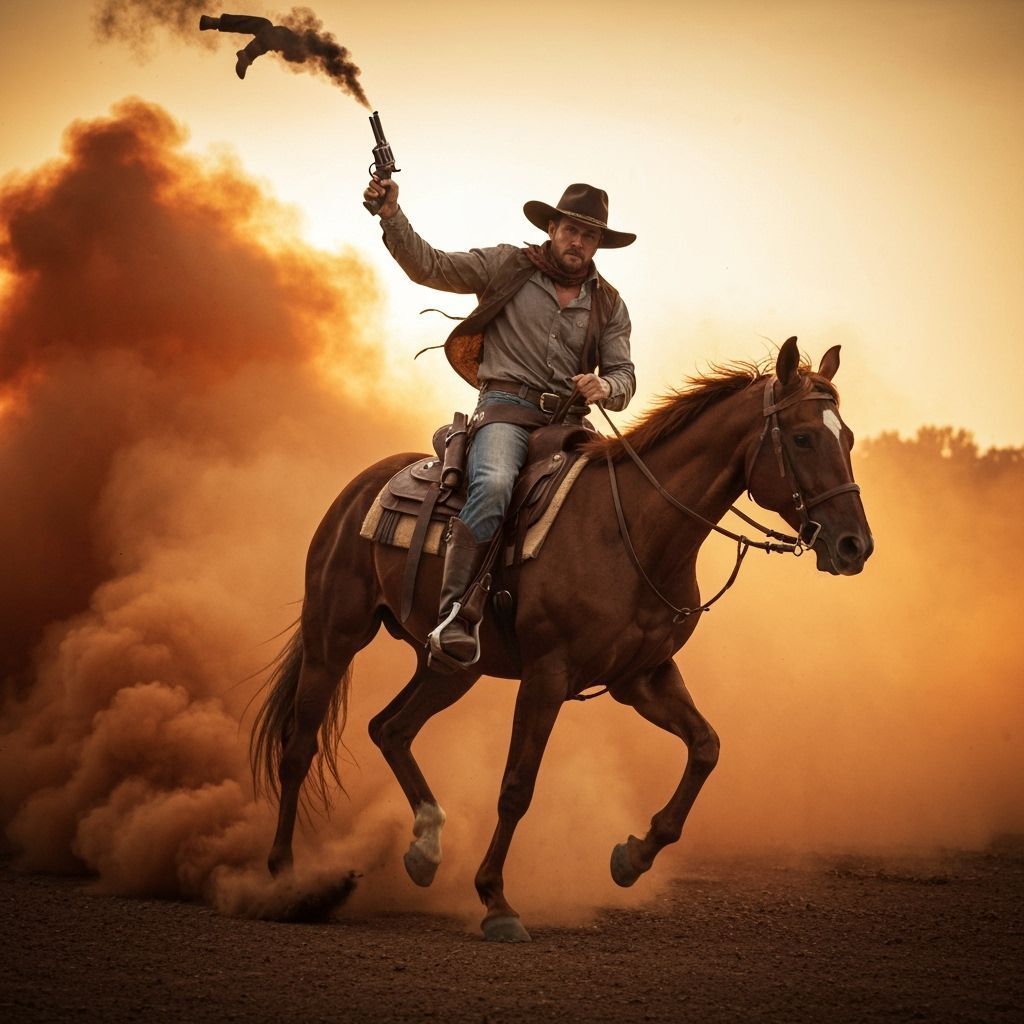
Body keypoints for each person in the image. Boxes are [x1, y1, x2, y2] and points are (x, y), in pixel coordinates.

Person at [363, 176, 636, 667]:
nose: (579, 242)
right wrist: (391, 215)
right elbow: (431, 266)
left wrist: (607, 388)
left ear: (599, 244)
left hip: (569, 423)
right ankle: (454, 616)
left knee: (613, 501)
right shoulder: (507, 265)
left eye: (590, 236)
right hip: (506, 411)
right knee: (492, 485)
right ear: (552, 228)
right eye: (572, 230)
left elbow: (623, 374)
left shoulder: (610, 304)